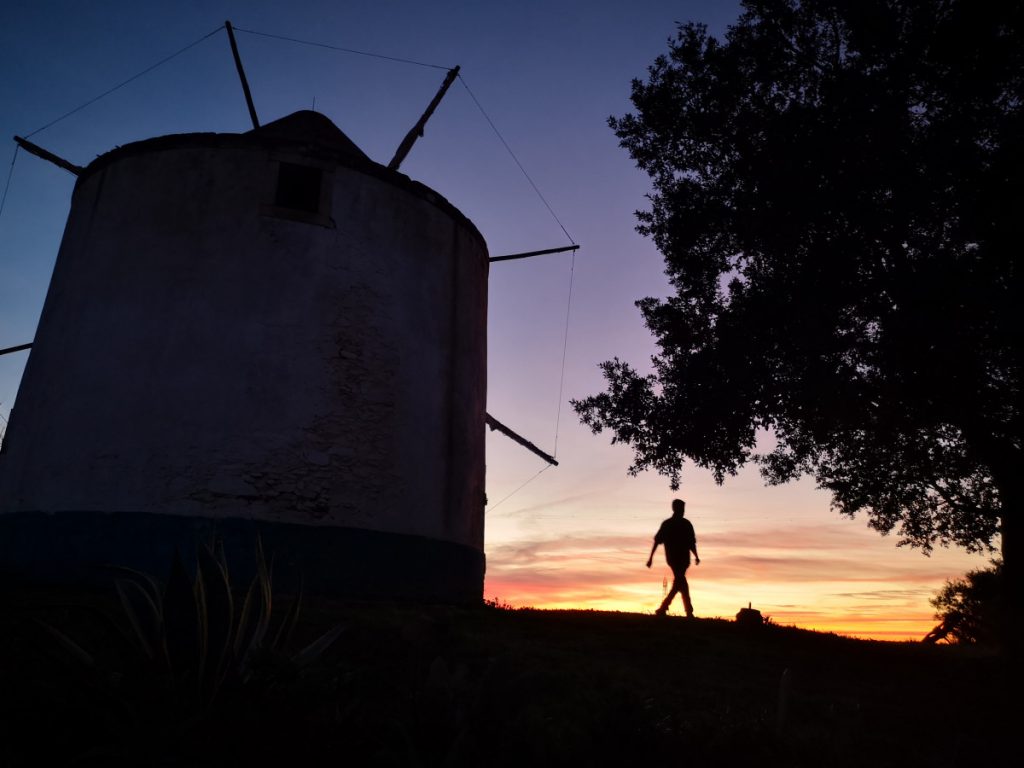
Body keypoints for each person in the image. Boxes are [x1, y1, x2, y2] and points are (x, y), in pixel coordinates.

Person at [647, 499, 700, 617]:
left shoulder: (685, 524)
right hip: (674, 558)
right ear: (676, 509)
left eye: (683, 509)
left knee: (680, 582)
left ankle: (665, 609)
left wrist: (696, 556)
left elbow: (691, 543)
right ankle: (685, 611)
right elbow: (657, 541)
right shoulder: (669, 524)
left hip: (683, 559)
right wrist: (651, 558)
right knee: (680, 581)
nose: (683, 511)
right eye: (681, 509)